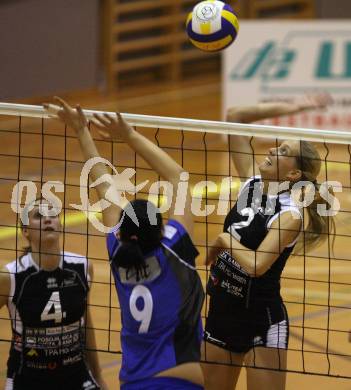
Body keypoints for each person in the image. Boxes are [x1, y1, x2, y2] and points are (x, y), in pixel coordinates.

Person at [44, 97, 205, 390]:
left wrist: (82, 131)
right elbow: (178, 177)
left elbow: (103, 183)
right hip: (178, 378)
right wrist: (129, 135)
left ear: (121, 232)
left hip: (132, 380)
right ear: (162, 230)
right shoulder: (175, 247)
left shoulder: (118, 251)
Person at [201, 93, 335, 390]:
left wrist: (224, 239)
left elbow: (258, 265)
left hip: (260, 320)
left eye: (283, 150)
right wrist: (293, 107)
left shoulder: (290, 216)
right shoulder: (250, 182)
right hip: (222, 312)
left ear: (293, 173)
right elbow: (235, 115)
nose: (273, 149)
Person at [0, 199, 106, 390]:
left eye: (53, 215)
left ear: (59, 225)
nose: (48, 220)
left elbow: (86, 323)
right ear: (25, 231)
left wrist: (98, 375)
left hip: (76, 375)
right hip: (27, 378)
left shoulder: (82, 268)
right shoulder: (11, 276)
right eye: (39, 216)